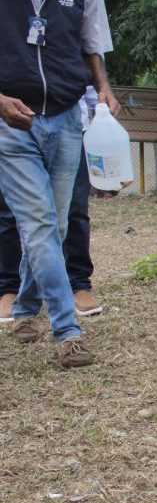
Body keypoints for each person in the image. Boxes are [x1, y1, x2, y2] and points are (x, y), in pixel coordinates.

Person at [0, 0, 119, 367]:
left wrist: (103, 88)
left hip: (67, 118)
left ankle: (23, 309)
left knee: (58, 225)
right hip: (11, 123)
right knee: (40, 225)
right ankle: (67, 332)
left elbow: (91, 44)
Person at [0, 86, 104, 325]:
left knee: (71, 214)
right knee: (11, 215)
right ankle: (11, 290)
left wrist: (99, 109)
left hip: (71, 124)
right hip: (14, 122)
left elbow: (89, 59)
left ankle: (77, 284)